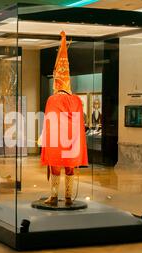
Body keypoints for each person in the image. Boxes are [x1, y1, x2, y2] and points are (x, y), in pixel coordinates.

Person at [40, 31, 88, 206]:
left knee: (55, 167)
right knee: (69, 168)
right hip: (71, 141)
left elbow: (49, 122)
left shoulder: (52, 99)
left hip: (56, 141)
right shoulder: (76, 99)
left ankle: (54, 197)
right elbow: (79, 122)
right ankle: (67, 197)